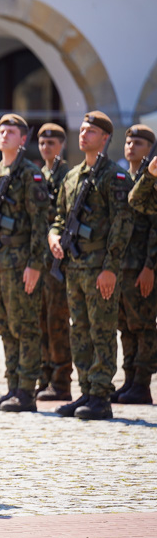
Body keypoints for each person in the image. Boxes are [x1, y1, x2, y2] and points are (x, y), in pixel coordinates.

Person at [48, 111, 134, 420]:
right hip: (75, 266)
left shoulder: (114, 176)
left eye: (91, 132)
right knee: (79, 330)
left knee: (102, 330)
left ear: (105, 138)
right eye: (82, 130)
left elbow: (122, 224)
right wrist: (53, 236)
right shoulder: (72, 176)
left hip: (100, 267)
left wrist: (110, 267)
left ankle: (100, 395)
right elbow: (59, 216)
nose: (83, 135)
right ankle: (85, 389)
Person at [0, 114, 50, 412]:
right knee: (5, 325)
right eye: (1, 130)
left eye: (11, 132)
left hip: (21, 264)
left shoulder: (30, 174)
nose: (4, 135)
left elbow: (40, 223)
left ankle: (26, 392)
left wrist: (35, 264)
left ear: (22, 139)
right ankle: (12, 386)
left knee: (25, 326)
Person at [112, 124, 157, 404]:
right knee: (125, 325)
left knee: (143, 325)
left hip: (142, 264)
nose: (131, 146)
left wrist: (150, 266)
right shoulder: (122, 178)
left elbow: (155, 226)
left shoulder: (151, 180)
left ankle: (142, 383)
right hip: (122, 264)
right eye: (129, 142)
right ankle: (129, 380)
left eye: (139, 143)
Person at [35, 123, 73, 401]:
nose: (47, 147)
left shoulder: (67, 175)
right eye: (43, 142)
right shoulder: (39, 174)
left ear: (62, 144)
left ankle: (61, 381)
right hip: (39, 257)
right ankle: (44, 375)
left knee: (57, 320)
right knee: (40, 318)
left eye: (52, 142)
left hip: (59, 256)